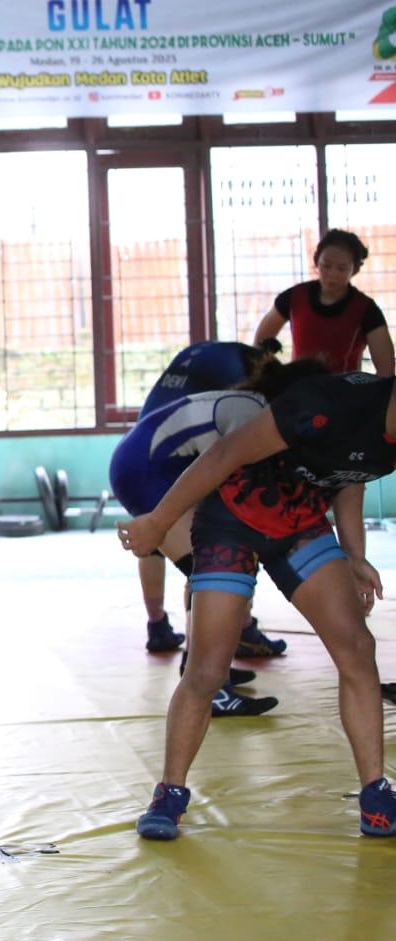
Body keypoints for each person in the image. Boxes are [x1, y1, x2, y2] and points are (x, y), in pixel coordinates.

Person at [119, 369, 396, 841]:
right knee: (207, 670)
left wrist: (354, 555)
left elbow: (352, 478)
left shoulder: (383, 432)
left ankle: (376, 795)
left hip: (299, 522)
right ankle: (169, 792)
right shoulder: (325, 398)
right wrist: (159, 521)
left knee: (356, 646)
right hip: (232, 519)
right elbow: (224, 454)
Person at [109, 359, 334, 719]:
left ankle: (210, 670)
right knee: (211, 569)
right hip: (146, 470)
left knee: (212, 565)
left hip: (149, 464)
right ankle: (209, 685)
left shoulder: (261, 409)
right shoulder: (254, 414)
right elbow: (234, 478)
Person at [133, 341, 290, 659]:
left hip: (145, 444)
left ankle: (159, 627)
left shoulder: (207, 352)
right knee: (215, 557)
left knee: (158, 539)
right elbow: (230, 448)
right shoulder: (246, 385)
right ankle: (220, 652)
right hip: (174, 454)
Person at [254, 229, 393, 377]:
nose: (332, 274)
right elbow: (259, 344)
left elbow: (386, 369)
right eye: (326, 266)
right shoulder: (294, 297)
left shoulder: (366, 309)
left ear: (355, 270)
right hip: (299, 391)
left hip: (345, 394)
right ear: (316, 262)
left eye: (341, 268)